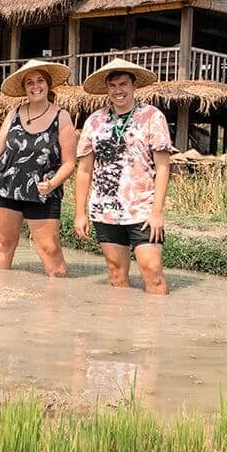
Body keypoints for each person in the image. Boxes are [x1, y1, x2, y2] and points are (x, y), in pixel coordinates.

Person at [73, 57, 173, 295]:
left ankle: (157, 317)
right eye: (113, 86)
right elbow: (84, 170)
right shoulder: (94, 121)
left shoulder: (152, 116)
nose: (118, 91)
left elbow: (163, 167)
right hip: (105, 208)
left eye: (123, 84)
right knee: (115, 273)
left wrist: (157, 212)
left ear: (133, 86)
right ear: (107, 89)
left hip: (142, 209)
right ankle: (121, 318)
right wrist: (80, 213)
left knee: (153, 272)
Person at [0, 59, 77, 276]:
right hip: (7, 188)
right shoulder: (14, 114)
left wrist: (52, 184)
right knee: (4, 243)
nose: (36, 86)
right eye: (30, 82)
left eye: (40, 80)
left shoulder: (61, 116)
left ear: (48, 84)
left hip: (44, 192)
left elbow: (69, 162)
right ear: (24, 88)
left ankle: (58, 294)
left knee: (50, 248)